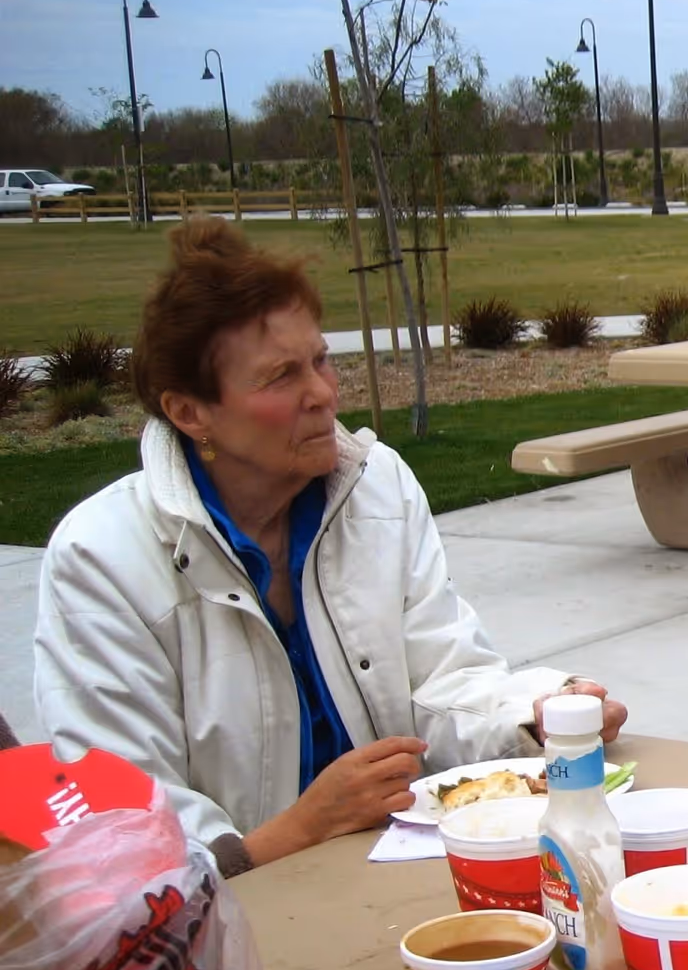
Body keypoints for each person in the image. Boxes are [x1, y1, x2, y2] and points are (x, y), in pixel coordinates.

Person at [33, 218, 628, 875]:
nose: (321, 393)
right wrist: (297, 830)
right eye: (281, 376)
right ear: (190, 413)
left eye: (320, 360)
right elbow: (123, 828)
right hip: (232, 925)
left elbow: (441, 682)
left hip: (395, 872)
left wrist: (534, 716)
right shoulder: (103, 558)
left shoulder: (377, 488)